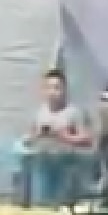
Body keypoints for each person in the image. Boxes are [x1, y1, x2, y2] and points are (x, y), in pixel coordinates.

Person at [20, 69, 95, 205]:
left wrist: (63, 136)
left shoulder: (74, 113)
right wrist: (38, 135)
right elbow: (27, 140)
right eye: (49, 88)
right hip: (42, 162)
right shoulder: (39, 113)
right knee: (41, 203)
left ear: (65, 90)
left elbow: (87, 139)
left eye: (57, 88)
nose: (52, 92)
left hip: (65, 164)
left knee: (61, 204)